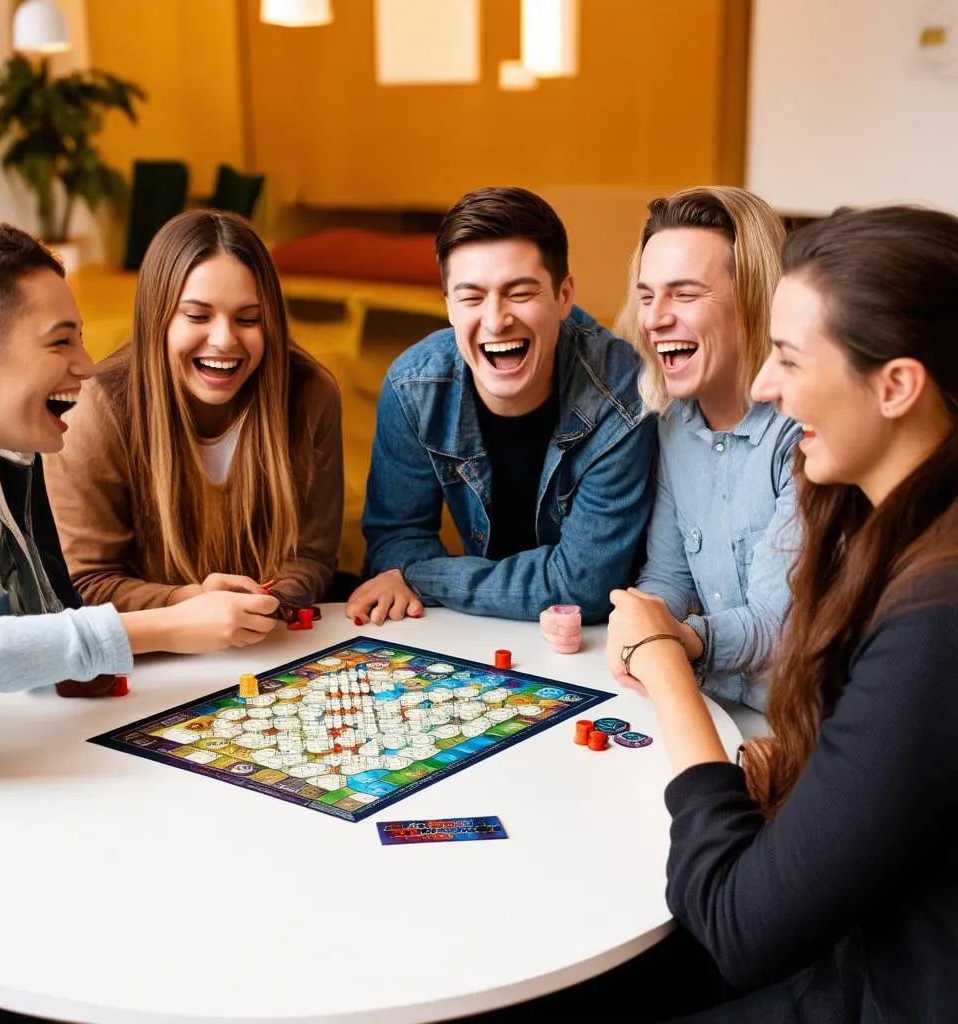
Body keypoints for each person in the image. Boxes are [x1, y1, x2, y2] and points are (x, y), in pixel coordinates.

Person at [607, 206, 958, 1021]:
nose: (767, 386)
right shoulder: (895, 533)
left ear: (897, 385)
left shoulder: (934, 618)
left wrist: (666, 660)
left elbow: (738, 926)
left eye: (790, 358)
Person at [0, 220, 279, 766]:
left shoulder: (6, 471)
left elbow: (32, 626)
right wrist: (165, 625)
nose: (88, 366)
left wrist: (181, 600)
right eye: (60, 341)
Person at [346, 186, 656, 625]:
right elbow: (395, 538)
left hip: (594, 642)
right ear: (449, 306)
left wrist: (420, 577)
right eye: (471, 297)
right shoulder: (413, 387)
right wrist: (407, 570)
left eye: (520, 293)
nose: (495, 320)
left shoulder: (623, 392)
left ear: (564, 296)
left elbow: (582, 586)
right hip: (480, 632)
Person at [43, 210, 344, 613]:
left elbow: (311, 555)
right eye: (197, 316)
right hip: (155, 653)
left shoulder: (311, 394)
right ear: (157, 319)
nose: (224, 339)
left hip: (272, 638)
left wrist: (273, 602)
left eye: (249, 319)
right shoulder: (98, 408)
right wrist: (190, 602)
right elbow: (85, 583)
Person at [616, 186, 801, 710]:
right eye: (647, 295)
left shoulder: (806, 432)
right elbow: (668, 575)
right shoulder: (673, 424)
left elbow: (776, 624)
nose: (654, 319)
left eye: (685, 294)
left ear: (755, 297)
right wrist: (638, 618)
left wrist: (669, 639)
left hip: (798, 728)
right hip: (715, 704)